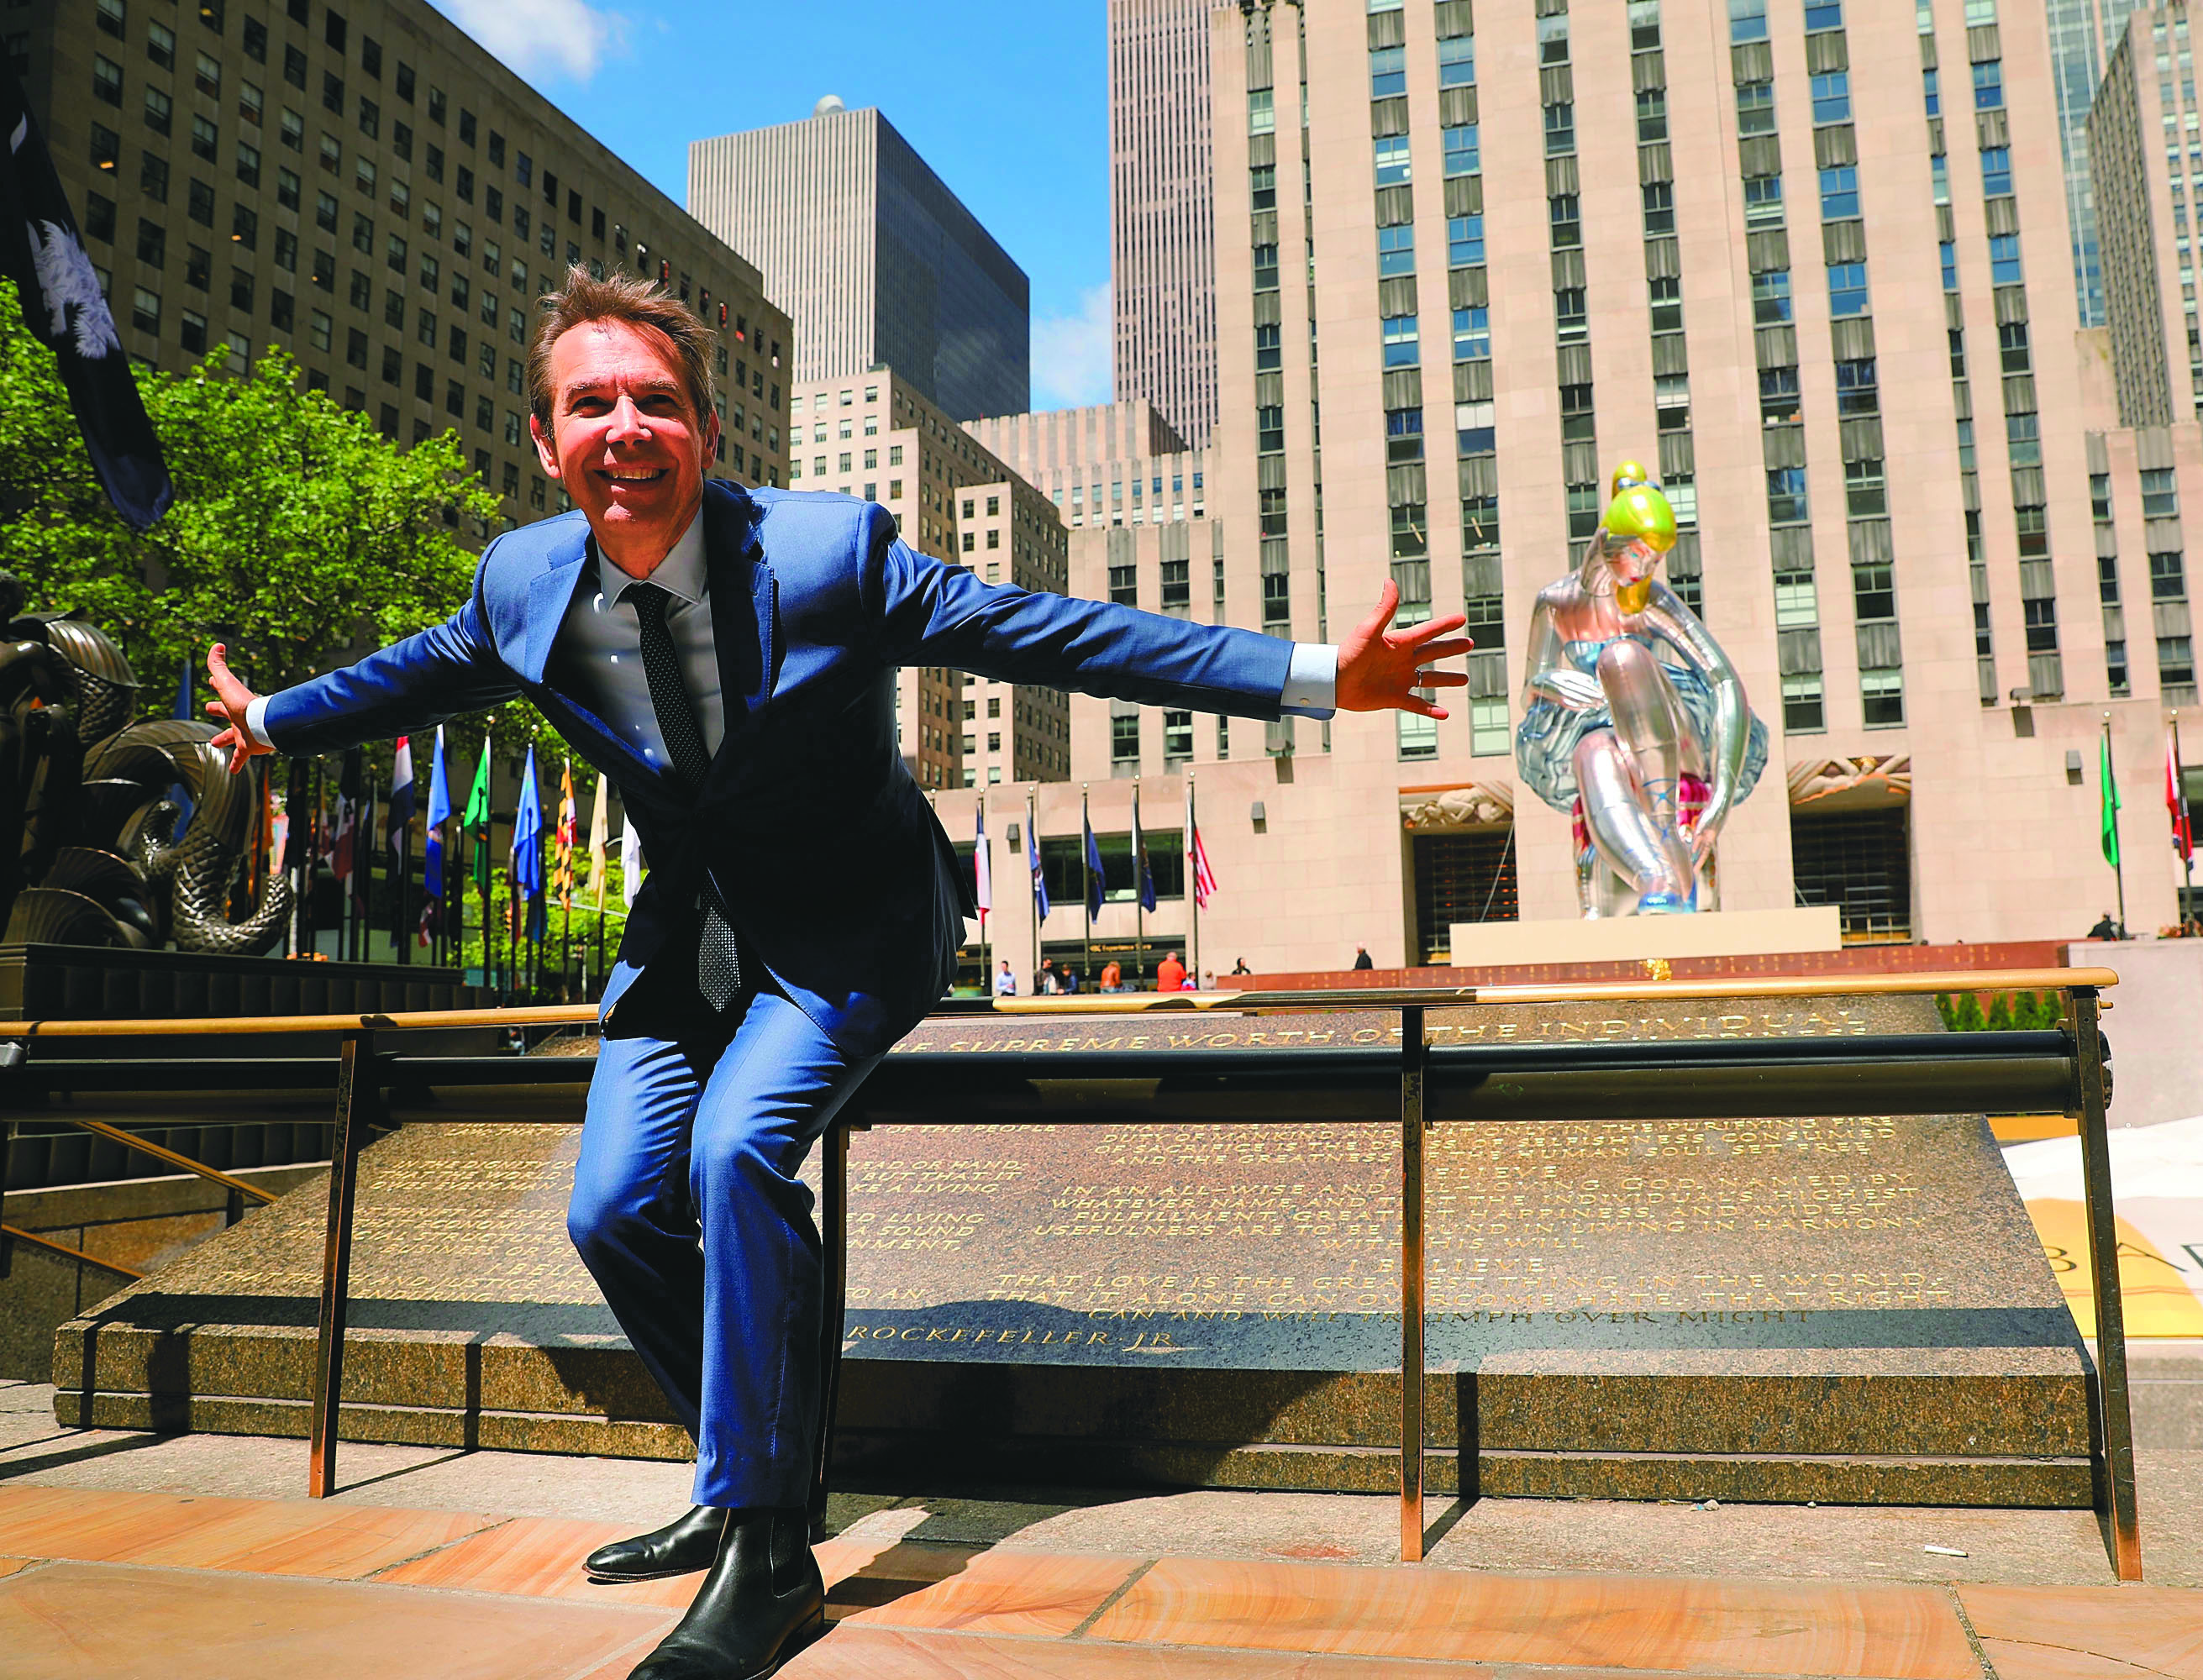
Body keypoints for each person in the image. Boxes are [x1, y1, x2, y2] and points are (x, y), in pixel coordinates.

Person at [201, 269, 1470, 1680]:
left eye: (657, 402)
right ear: (547, 442)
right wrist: (268, 720)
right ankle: (745, 1465)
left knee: (737, 1156)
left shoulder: (827, 557)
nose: (628, 427)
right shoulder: (521, 582)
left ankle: (765, 1546)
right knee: (616, 1205)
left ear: (704, 428)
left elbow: (1049, 630)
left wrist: (1311, 677)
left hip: (858, 921)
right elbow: (417, 673)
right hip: (693, 932)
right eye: (593, 405)